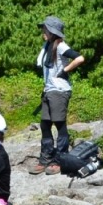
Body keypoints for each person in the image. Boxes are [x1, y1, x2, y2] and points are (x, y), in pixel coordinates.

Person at [32, 16, 85, 175]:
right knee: (45, 124)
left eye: (45, 29)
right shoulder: (47, 46)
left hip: (59, 90)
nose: (43, 31)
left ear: (52, 31)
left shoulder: (61, 46)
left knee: (59, 124)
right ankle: (46, 157)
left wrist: (65, 71)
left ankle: (60, 159)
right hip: (49, 90)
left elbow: (80, 58)